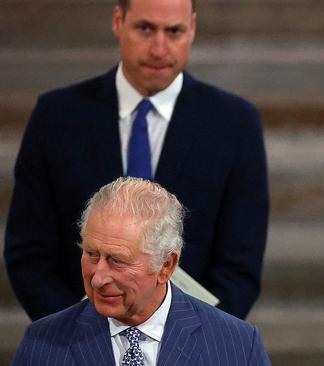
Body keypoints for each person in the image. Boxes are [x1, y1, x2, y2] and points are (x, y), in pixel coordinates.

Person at [4, 0, 268, 321]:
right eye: (145, 29)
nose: (159, 48)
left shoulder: (235, 124)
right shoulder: (56, 116)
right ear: (118, 21)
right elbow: (29, 254)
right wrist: (83, 334)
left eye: (174, 31)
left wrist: (189, 341)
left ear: (193, 29)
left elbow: (240, 266)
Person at [10, 177, 272, 366]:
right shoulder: (42, 343)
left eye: (117, 260)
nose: (98, 278)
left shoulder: (237, 345)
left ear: (166, 266)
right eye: (91, 254)